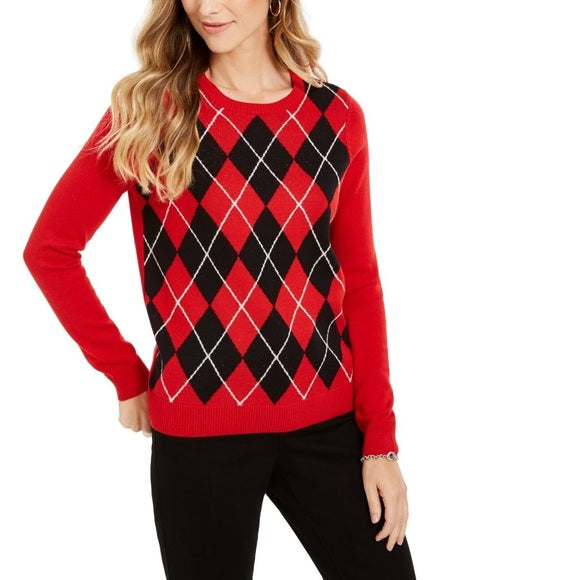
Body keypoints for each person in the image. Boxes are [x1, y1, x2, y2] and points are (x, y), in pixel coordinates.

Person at [23, 0, 417, 578]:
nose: (207, 7)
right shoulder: (151, 112)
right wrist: (126, 375)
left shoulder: (335, 116)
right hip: (199, 436)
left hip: (328, 425)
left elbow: (360, 280)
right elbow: (50, 251)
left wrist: (380, 439)